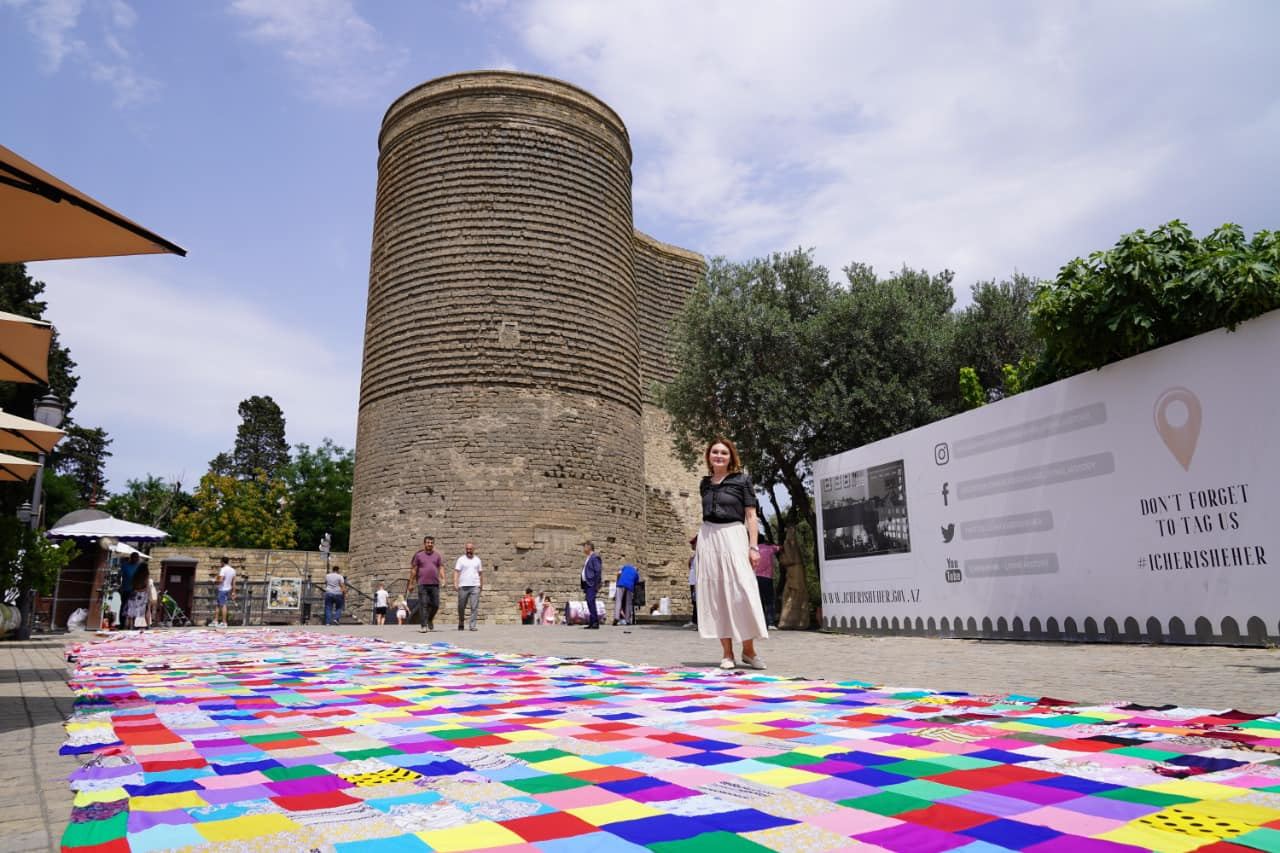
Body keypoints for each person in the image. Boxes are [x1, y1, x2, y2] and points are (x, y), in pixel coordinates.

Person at [696, 437, 768, 670]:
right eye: (715, 452)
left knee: (741, 592)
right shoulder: (704, 483)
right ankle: (727, 653)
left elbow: (750, 516)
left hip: (734, 536)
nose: (719, 456)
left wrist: (754, 546)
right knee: (716, 595)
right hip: (708, 538)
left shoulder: (742, 480)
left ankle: (748, 650)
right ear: (709, 456)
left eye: (724, 453)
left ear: (731, 457)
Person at [406, 535, 443, 633]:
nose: (430, 544)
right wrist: (411, 583)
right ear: (424, 544)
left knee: (436, 605)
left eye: (431, 543)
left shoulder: (437, 556)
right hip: (422, 583)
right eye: (428, 542)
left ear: (433, 544)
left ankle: (430, 619)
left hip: (435, 583)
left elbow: (441, 567)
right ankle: (423, 625)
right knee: (423, 604)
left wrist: (443, 578)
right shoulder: (419, 556)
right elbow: (414, 570)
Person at [754, 534, 783, 629]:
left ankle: (760, 623)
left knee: (759, 601)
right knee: (769, 601)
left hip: (755, 578)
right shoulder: (769, 548)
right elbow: (780, 548)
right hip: (767, 578)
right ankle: (770, 623)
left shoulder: (753, 550)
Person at [454, 542, 482, 631]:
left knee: (474, 606)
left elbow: (480, 573)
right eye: (467, 549)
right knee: (461, 606)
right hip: (463, 586)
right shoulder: (461, 559)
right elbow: (456, 572)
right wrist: (455, 583)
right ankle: (461, 621)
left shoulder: (477, 560)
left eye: (470, 549)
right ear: (465, 549)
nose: (469, 551)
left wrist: (481, 585)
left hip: (475, 586)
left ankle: (472, 625)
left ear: (473, 549)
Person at [580, 540, 602, 629]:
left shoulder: (595, 557)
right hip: (587, 584)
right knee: (590, 602)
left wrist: (595, 583)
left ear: (589, 547)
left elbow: (598, 571)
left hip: (591, 583)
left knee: (590, 601)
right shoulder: (588, 557)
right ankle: (592, 621)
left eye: (584, 546)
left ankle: (595, 622)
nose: (583, 549)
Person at [213, 557, 236, 628]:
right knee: (218, 604)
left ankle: (224, 622)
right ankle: (215, 621)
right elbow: (234, 582)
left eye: (220, 562)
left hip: (222, 589)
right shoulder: (233, 570)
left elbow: (220, 580)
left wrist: (214, 581)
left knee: (223, 605)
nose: (220, 564)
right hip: (228, 589)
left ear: (222, 562)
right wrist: (234, 592)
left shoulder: (223, 569)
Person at [683, 536, 698, 629]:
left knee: (698, 602)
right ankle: (695, 621)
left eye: (693, 543)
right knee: (694, 602)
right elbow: (691, 568)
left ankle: (697, 622)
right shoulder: (694, 557)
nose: (691, 545)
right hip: (693, 582)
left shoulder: (700, 555)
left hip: (697, 582)